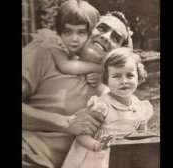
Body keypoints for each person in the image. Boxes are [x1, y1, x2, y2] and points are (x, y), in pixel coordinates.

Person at [22, 10, 131, 168]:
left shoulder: (106, 92)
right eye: (102, 28)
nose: (106, 37)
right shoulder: (46, 52)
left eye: (115, 38)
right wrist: (66, 123)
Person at [61, 47, 153, 168]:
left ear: (138, 77)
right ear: (107, 80)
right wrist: (97, 145)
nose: (124, 81)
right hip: (99, 156)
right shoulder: (102, 106)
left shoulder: (140, 107)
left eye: (130, 75)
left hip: (125, 154)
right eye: (117, 76)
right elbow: (82, 136)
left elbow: (142, 134)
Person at [23, 0, 102, 85]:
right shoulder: (51, 43)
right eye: (67, 31)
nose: (74, 39)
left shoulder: (77, 55)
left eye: (81, 32)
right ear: (60, 31)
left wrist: (97, 76)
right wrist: (100, 69)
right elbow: (65, 66)